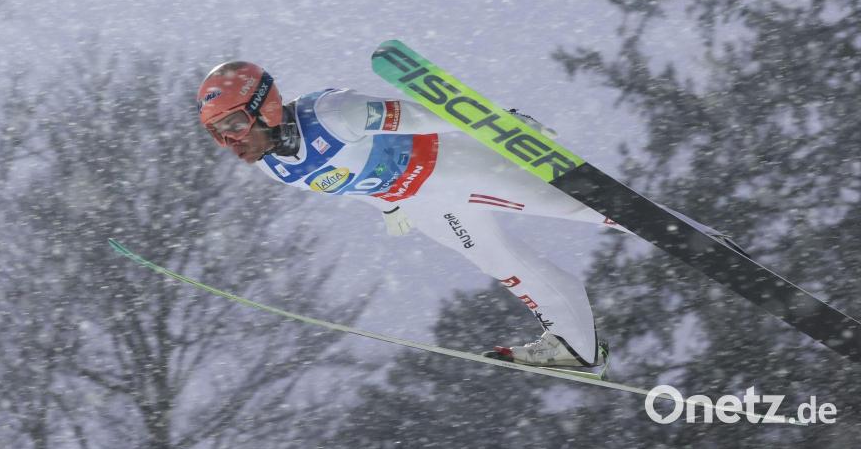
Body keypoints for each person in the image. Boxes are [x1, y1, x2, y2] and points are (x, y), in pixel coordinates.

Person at [196, 60, 735, 368]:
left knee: (587, 205)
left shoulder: (332, 113)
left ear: (265, 105)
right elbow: (351, 182)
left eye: (235, 126)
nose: (231, 143)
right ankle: (576, 344)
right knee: (505, 265)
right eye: (218, 134)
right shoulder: (273, 166)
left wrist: (500, 123)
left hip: (456, 166)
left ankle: (705, 241)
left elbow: (428, 114)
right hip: (424, 204)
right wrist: (389, 206)